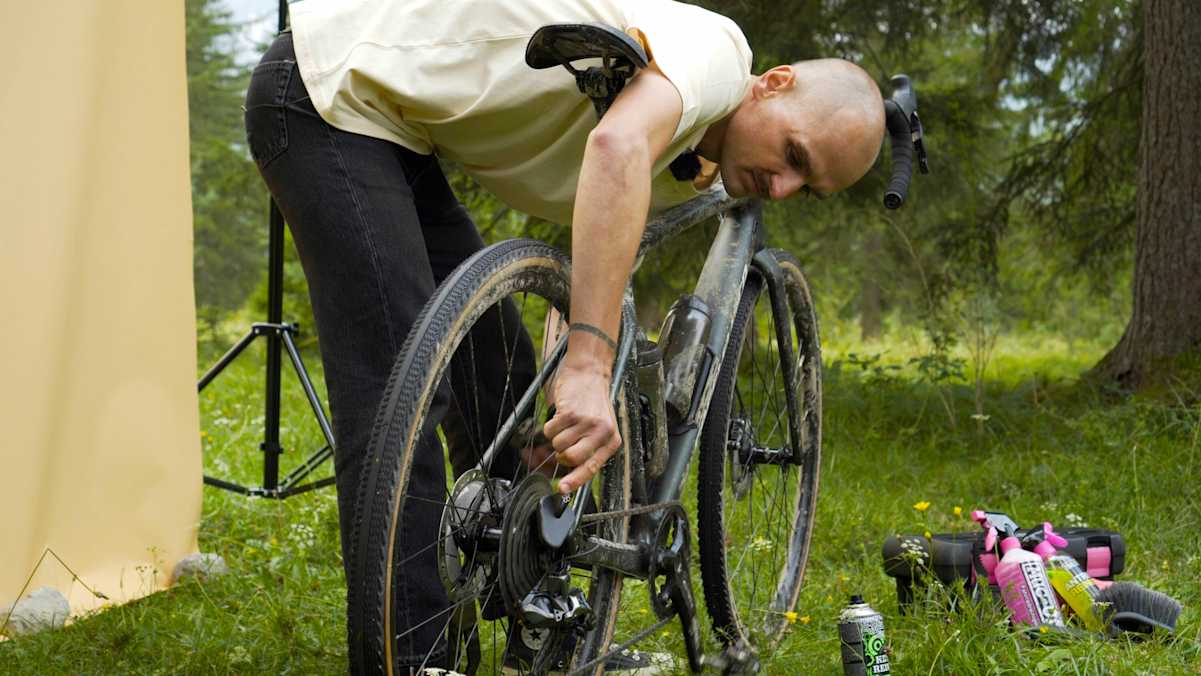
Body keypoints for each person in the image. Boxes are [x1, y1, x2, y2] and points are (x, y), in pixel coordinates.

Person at [244, 0, 884, 671]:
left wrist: (577, 347)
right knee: (397, 394)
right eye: (792, 154)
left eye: (805, 187)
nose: (781, 187)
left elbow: (606, 217)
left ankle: (543, 635)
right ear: (773, 83)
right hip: (324, 96)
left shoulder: (694, 144)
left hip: (397, 134)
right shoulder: (717, 54)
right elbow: (616, 145)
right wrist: (585, 363)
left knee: (506, 398)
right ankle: (416, 659)